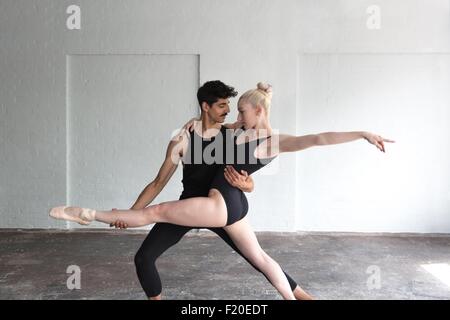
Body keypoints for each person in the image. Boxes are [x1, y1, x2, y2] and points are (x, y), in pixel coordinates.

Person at [50, 81, 394, 299]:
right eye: (228, 109)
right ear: (207, 108)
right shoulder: (228, 131)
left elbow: (318, 139)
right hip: (219, 206)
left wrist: (362, 133)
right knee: (259, 258)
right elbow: (165, 175)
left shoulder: (269, 140)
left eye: (239, 110)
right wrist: (199, 125)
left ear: (255, 112)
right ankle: (302, 298)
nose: (233, 114)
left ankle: (90, 214)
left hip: (220, 205)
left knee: (153, 214)